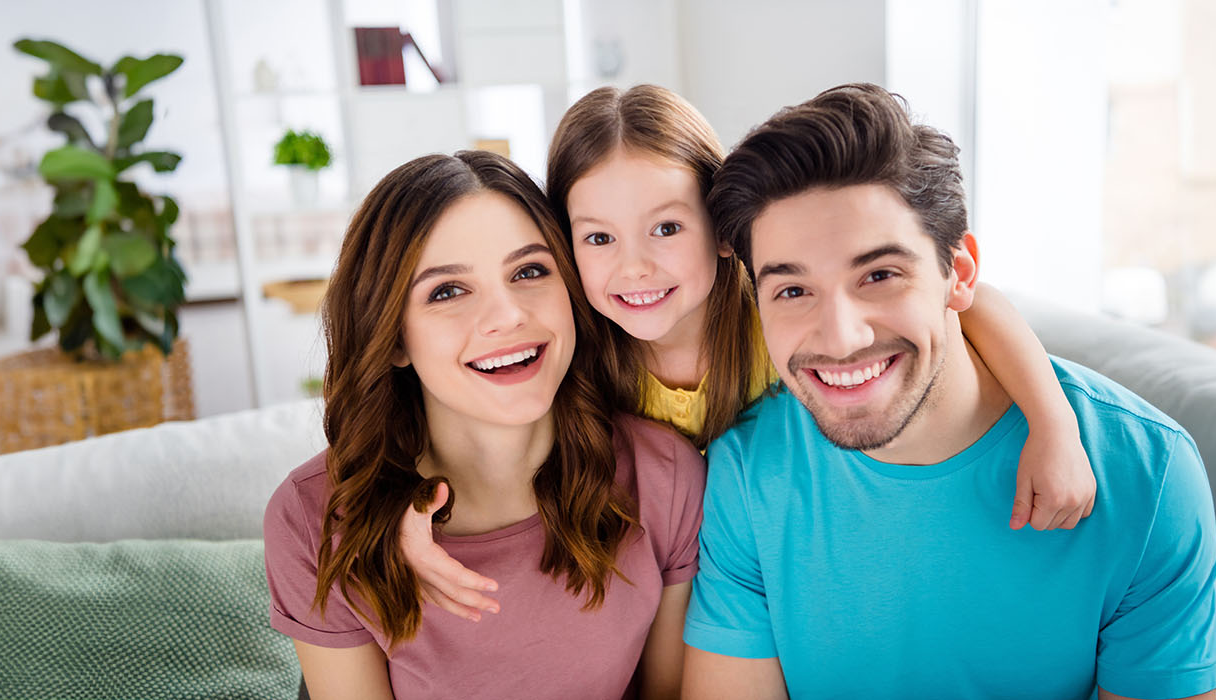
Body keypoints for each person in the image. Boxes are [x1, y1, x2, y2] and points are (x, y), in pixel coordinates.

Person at [404, 84, 1097, 625]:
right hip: (677, 593)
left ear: (727, 229)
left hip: (794, 571)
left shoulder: (789, 310)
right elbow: (457, 408)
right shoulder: (576, 353)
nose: (636, 268)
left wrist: (1052, 423)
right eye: (598, 239)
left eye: (667, 227)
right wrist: (408, 505)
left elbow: (968, 301)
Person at [681, 83, 1216, 700]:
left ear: (960, 272)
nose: (840, 338)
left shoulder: (1147, 475)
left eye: (880, 276)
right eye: (792, 290)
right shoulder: (748, 469)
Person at [263, 150, 703, 699]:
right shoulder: (314, 518)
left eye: (530, 271)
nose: (508, 315)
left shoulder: (664, 478)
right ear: (394, 337)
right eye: (447, 291)